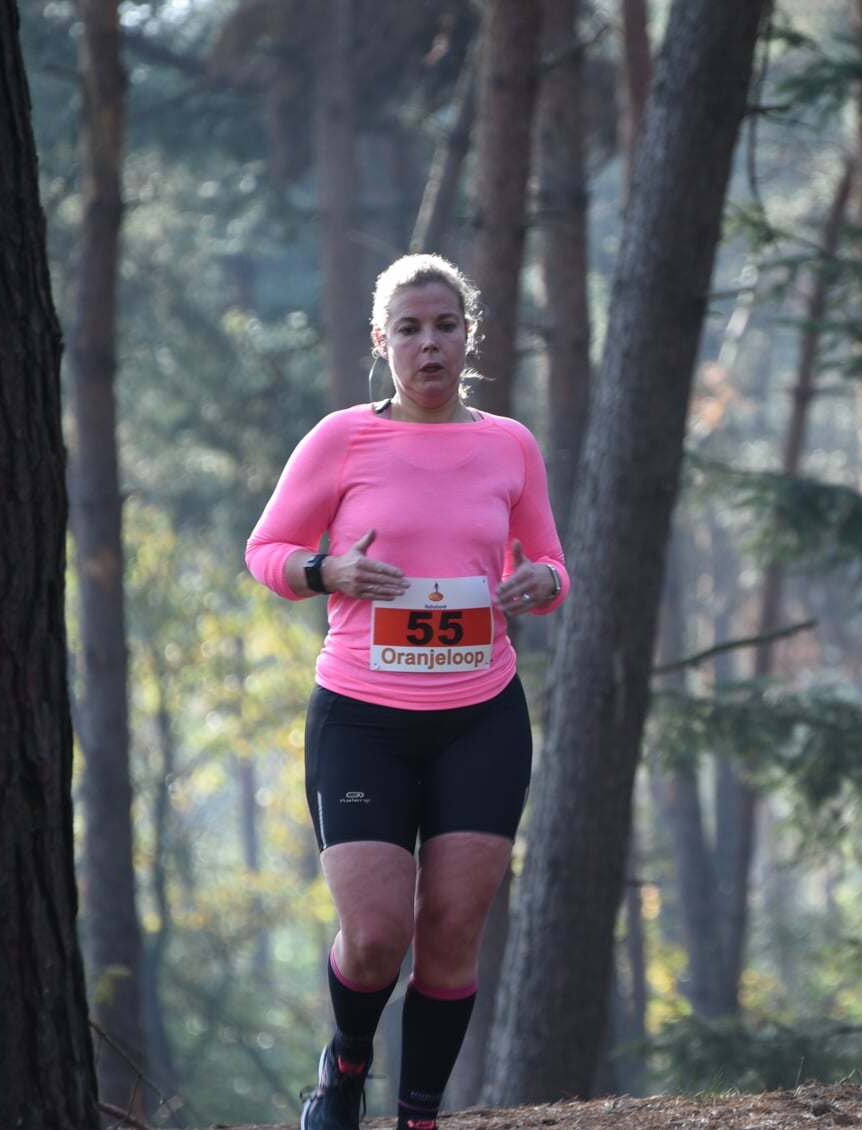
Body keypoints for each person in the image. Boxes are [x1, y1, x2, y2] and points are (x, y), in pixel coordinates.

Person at [246, 253, 569, 1130]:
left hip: (480, 718)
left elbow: (547, 559)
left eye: (446, 327)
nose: (431, 345)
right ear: (382, 341)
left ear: (470, 337)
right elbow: (265, 551)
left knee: (454, 929)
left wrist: (541, 583)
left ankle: (419, 1118)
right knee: (379, 932)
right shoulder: (341, 438)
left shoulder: (509, 443)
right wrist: (329, 568)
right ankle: (345, 1067)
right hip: (362, 720)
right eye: (411, 329)